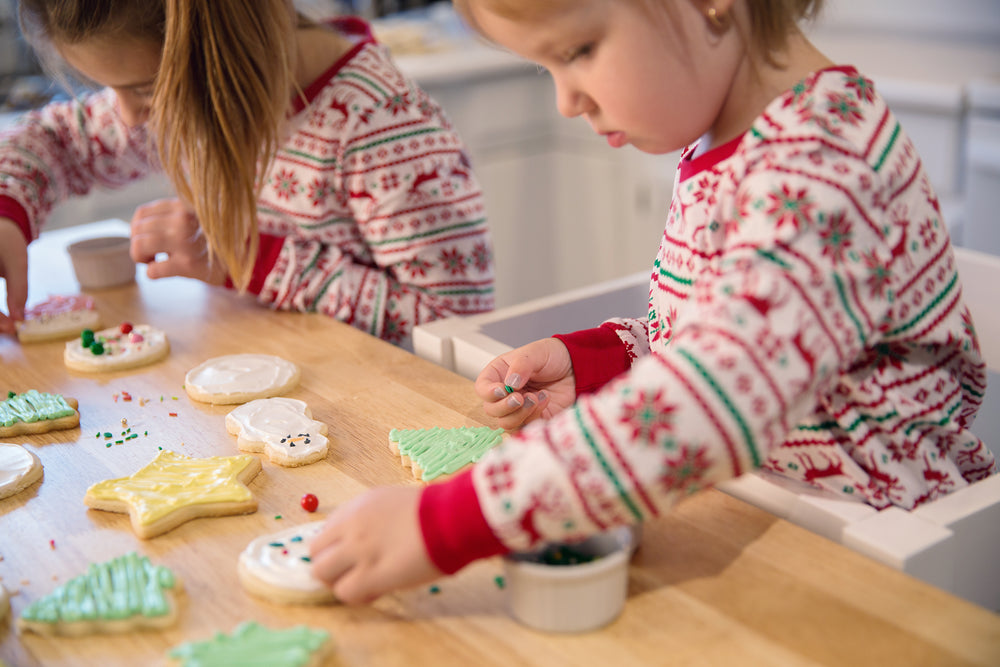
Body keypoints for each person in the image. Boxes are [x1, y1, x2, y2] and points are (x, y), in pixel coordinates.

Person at [309, 0, 998, 603]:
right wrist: (603, 361)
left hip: (883, 558)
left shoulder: (819, 167)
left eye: (577, 52)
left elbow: (713, 394)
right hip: (769, 511)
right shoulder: (735, 136)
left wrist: (445, 523)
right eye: (545, 68)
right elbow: (721, 331)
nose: (565, 102)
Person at [0, 0, 494, 349]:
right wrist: (8, 210)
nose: (127, 117)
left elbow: (451, 325)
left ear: (228, 49)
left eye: (146, 89)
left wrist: (245, 256)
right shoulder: (190, 102)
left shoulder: (382, 122)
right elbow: (56, 141)